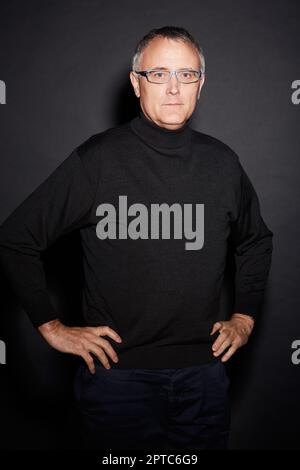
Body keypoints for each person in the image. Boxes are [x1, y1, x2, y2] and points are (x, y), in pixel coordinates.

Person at [0, 26, 273, 451]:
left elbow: (256, 241)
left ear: (201, 85)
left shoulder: (223, 163)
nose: (173, 89)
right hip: (118, 383)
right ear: (135, 83)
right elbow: (17, 238)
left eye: (186, 75)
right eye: (158, 74)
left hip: (203, 379)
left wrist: (245, 316)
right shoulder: (98, 159)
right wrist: (51, 326)